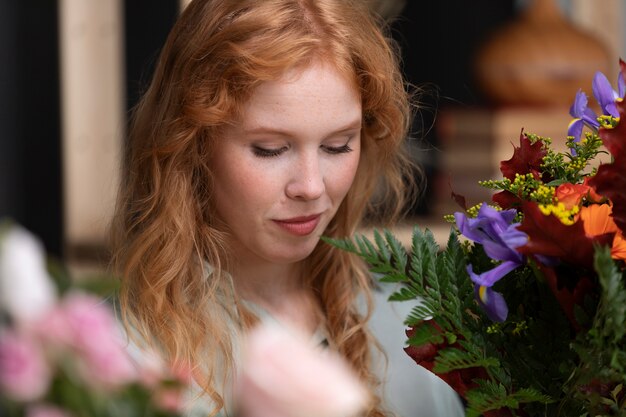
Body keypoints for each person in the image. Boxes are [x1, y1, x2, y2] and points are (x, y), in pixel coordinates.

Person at [110, 0, 422, 416]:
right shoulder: (121, 353)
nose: (311, 187)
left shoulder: (408, 328)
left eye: (338, 145)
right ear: (193, 146)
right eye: (270, 149)